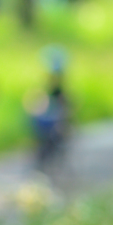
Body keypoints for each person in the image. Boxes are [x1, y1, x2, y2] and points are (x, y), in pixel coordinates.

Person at [31, 46, 70, 174]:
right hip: (48, 124)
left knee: (51, 145)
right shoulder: (50, 90)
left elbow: (64, 109)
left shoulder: (60, 91)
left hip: (55, 125)